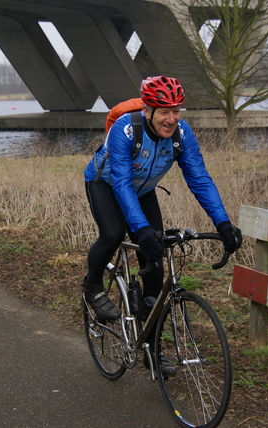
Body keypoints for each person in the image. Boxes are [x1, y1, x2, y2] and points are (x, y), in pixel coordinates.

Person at [82, 75, 242, 322]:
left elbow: (199, 179)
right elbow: (122, 183)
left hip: (143, 192)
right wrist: (142, 228)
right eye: (164, 112)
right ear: (147, 110)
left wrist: (222, 222)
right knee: (113, 233)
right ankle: (92, 287)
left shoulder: (182, 134)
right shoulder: (125, 130)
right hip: (105, 184)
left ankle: (148, 344)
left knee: (155, 267)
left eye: (176, 111)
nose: (171, 119)